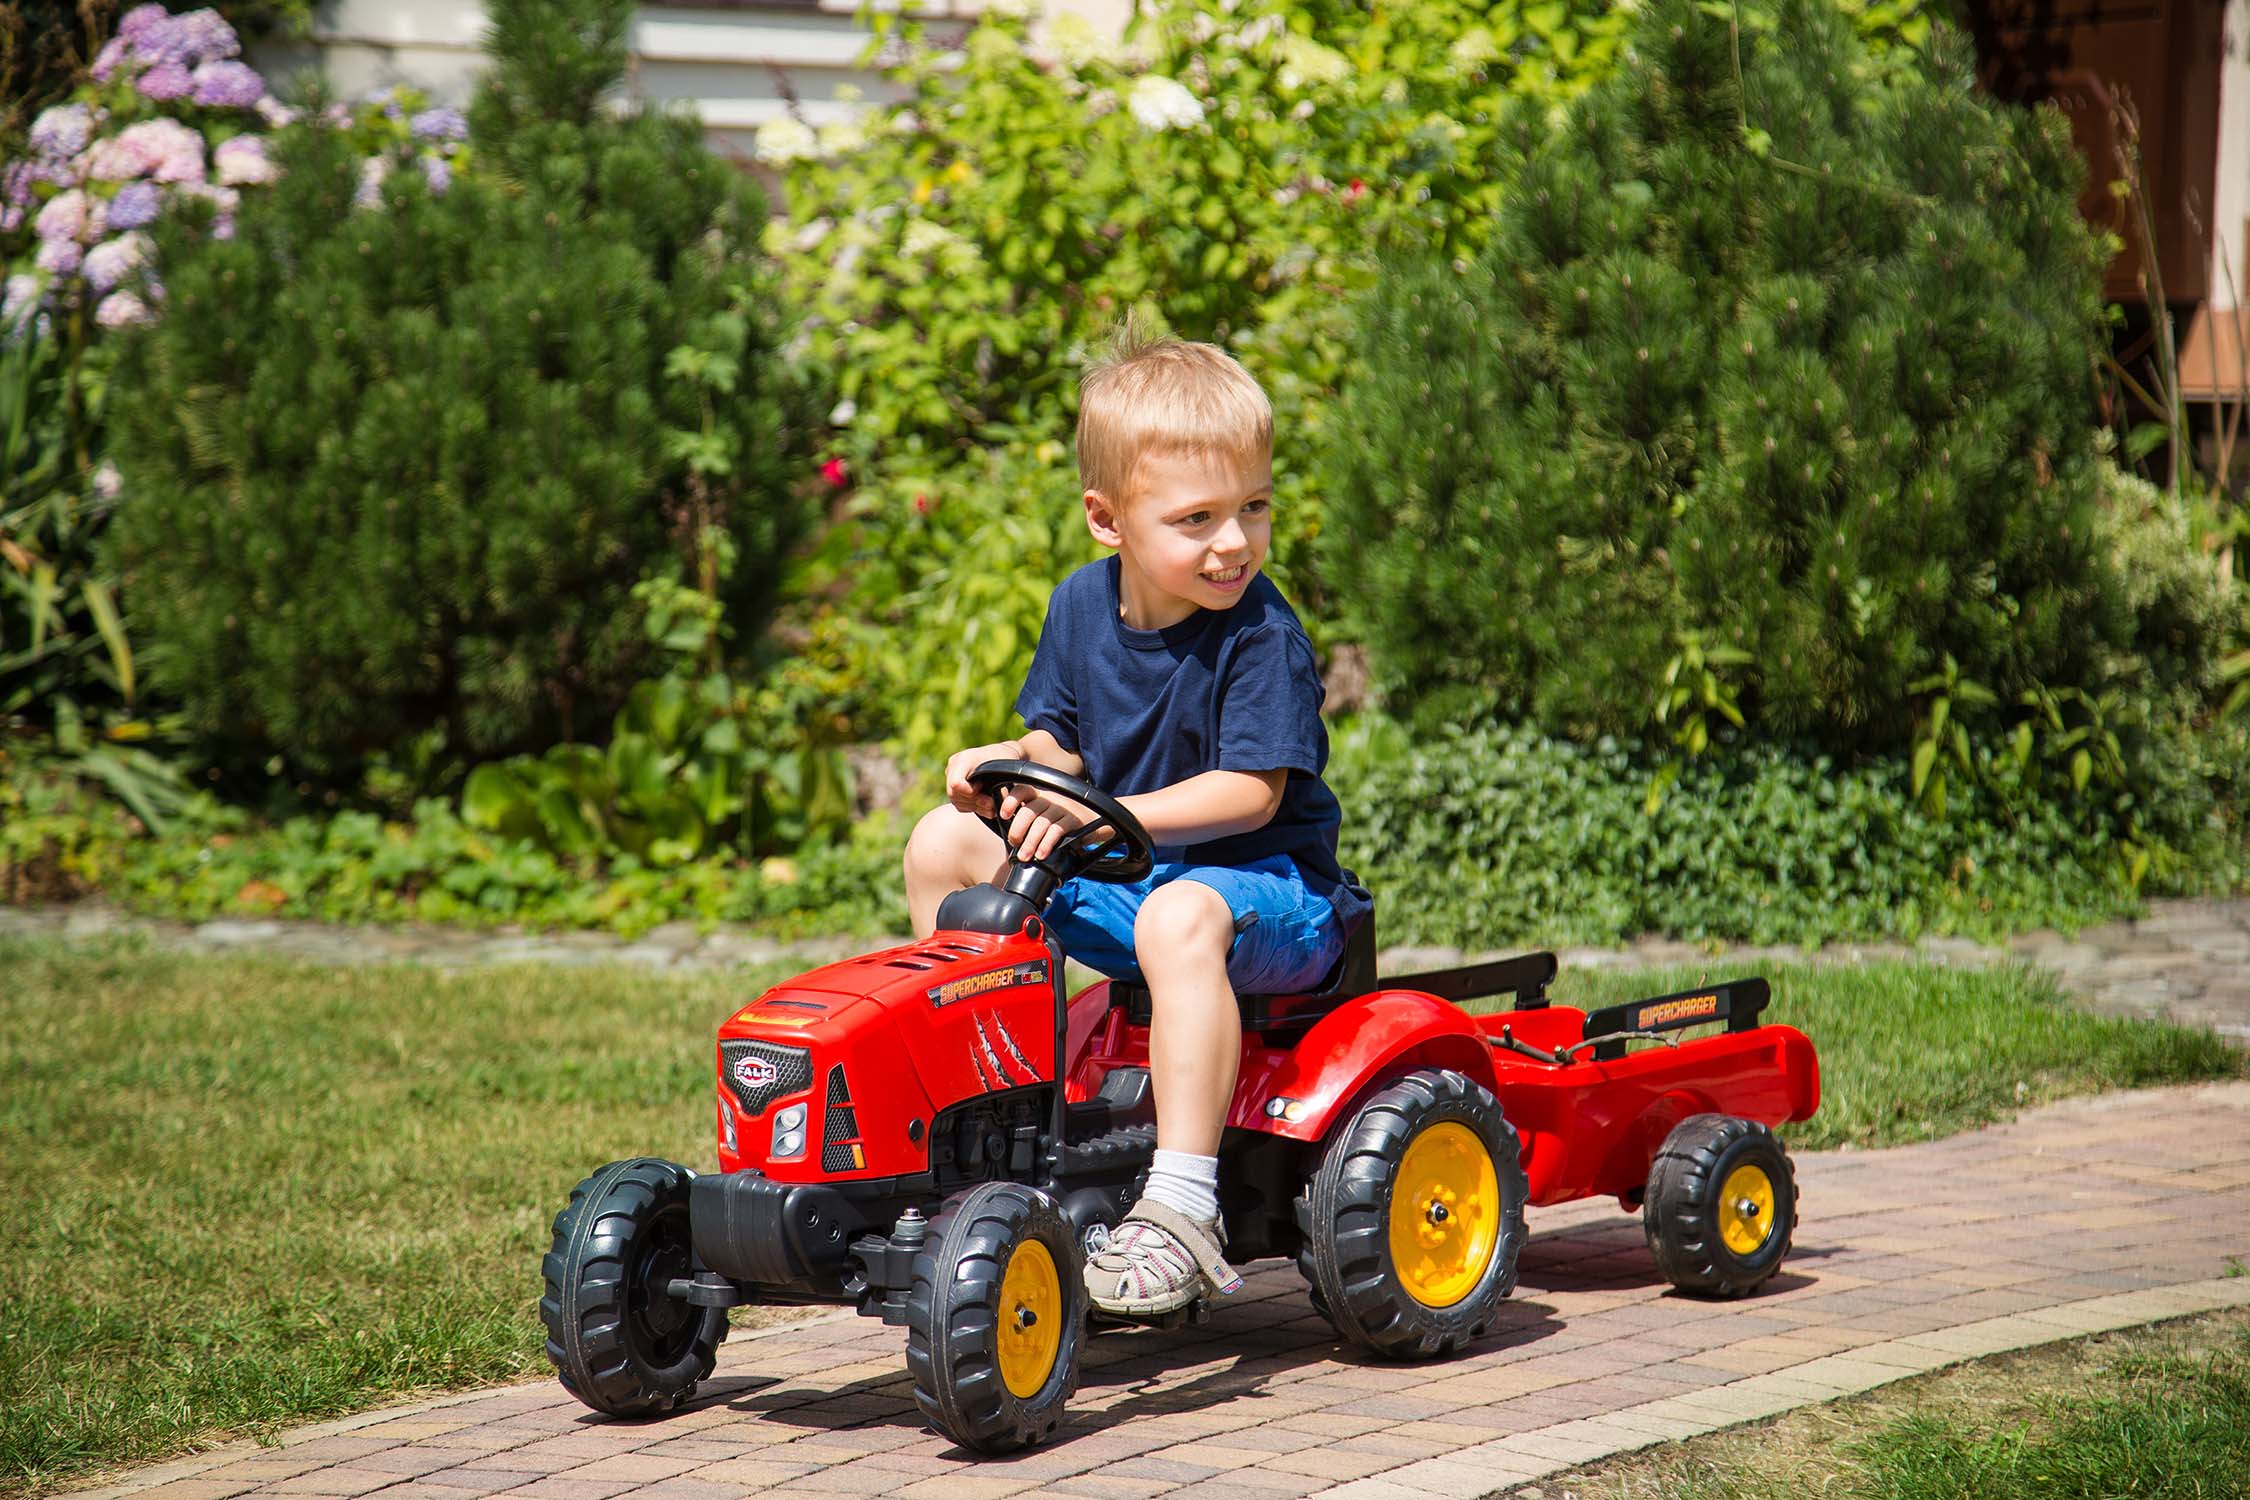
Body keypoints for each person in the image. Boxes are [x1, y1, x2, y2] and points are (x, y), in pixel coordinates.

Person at [900, 314, 1370, 1316]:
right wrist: (1012, 773)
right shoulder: (1079, 606)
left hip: (1273, 900)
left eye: (1254, 507)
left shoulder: (1259, 634)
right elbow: (1057, 746)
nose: (1233, 541)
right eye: (1197, 520)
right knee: (943, 842)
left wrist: (1107, 816)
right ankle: (976, 1127)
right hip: (1133, 875)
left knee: (1179, 912)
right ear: (1108, 520)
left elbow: (1253, 792)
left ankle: (1182, 1203)